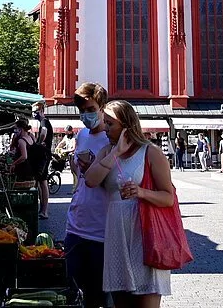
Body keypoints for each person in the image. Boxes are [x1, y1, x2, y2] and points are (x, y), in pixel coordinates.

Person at [86, 100, 175, 306]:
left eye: (110, 124)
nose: (105, 128)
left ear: (126, 125)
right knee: (121, 302)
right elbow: (90, 180)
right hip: (117, 236)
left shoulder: (150, 152)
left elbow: (168, 197)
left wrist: (141, 192)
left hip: (144, 236)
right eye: (105, 123)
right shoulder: (107, 151)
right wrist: (116, 152)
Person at [66, 81, 112, 308]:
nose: (85, 115)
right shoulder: (82, 135)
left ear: (102, 108)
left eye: (90, 110)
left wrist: (95, 167)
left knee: (97, 296)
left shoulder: (112, 140)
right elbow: (78, 172)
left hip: (100, 230)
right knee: (74, 291)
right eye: (82, 111)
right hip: (75, 224)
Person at [30, 102, 55, 219]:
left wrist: (38, 143)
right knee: (41, 181)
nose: (34, 114)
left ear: (42, 111)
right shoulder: (42, 122)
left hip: (44, 155)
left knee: (43, 181)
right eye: (33, 112)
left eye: (36, 111)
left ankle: (44, 210)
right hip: (44, 155)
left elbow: (44, 133)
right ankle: (42, 209)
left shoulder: (44, 121)